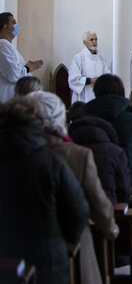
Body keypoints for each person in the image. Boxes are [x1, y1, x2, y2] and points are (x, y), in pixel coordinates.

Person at [31, 90, 117, 284]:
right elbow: (97, 205)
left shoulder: (13, 152)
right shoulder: (77, 154)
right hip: (70, 247)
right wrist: (111, 230)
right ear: (60, 119)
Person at [0, 96, 89, 284]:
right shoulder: (51, 162)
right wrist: (62, 239)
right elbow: (77, 211)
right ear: (37, 124)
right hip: (46, 260)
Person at [84, 74, 132, 185]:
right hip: (128, 180)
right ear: (121, 91)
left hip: (92, 181)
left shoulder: (84, 117)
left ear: (96, 91)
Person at [68, 112, 131, 204]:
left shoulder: (66, 151)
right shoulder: (115, 152)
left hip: (74, 209)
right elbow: (124, 188)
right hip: (109, 206)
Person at [0, 12, 43, 102]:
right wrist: (29, 67)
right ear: (5, 26)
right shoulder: (3, 45)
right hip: (7, 98)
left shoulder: (7, 45)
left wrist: (27, 66)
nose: (16, 25)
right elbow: (13, 74)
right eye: (13, 22)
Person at [67, 31, 111, 103]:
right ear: (84, 42)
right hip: (83, 97)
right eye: (91, 40)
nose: (94, 42)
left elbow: (107, 75)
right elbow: (73, 79)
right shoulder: (78, 58)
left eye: (96, 39)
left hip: (99, 95)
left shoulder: (101, 59)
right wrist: (90, 80)